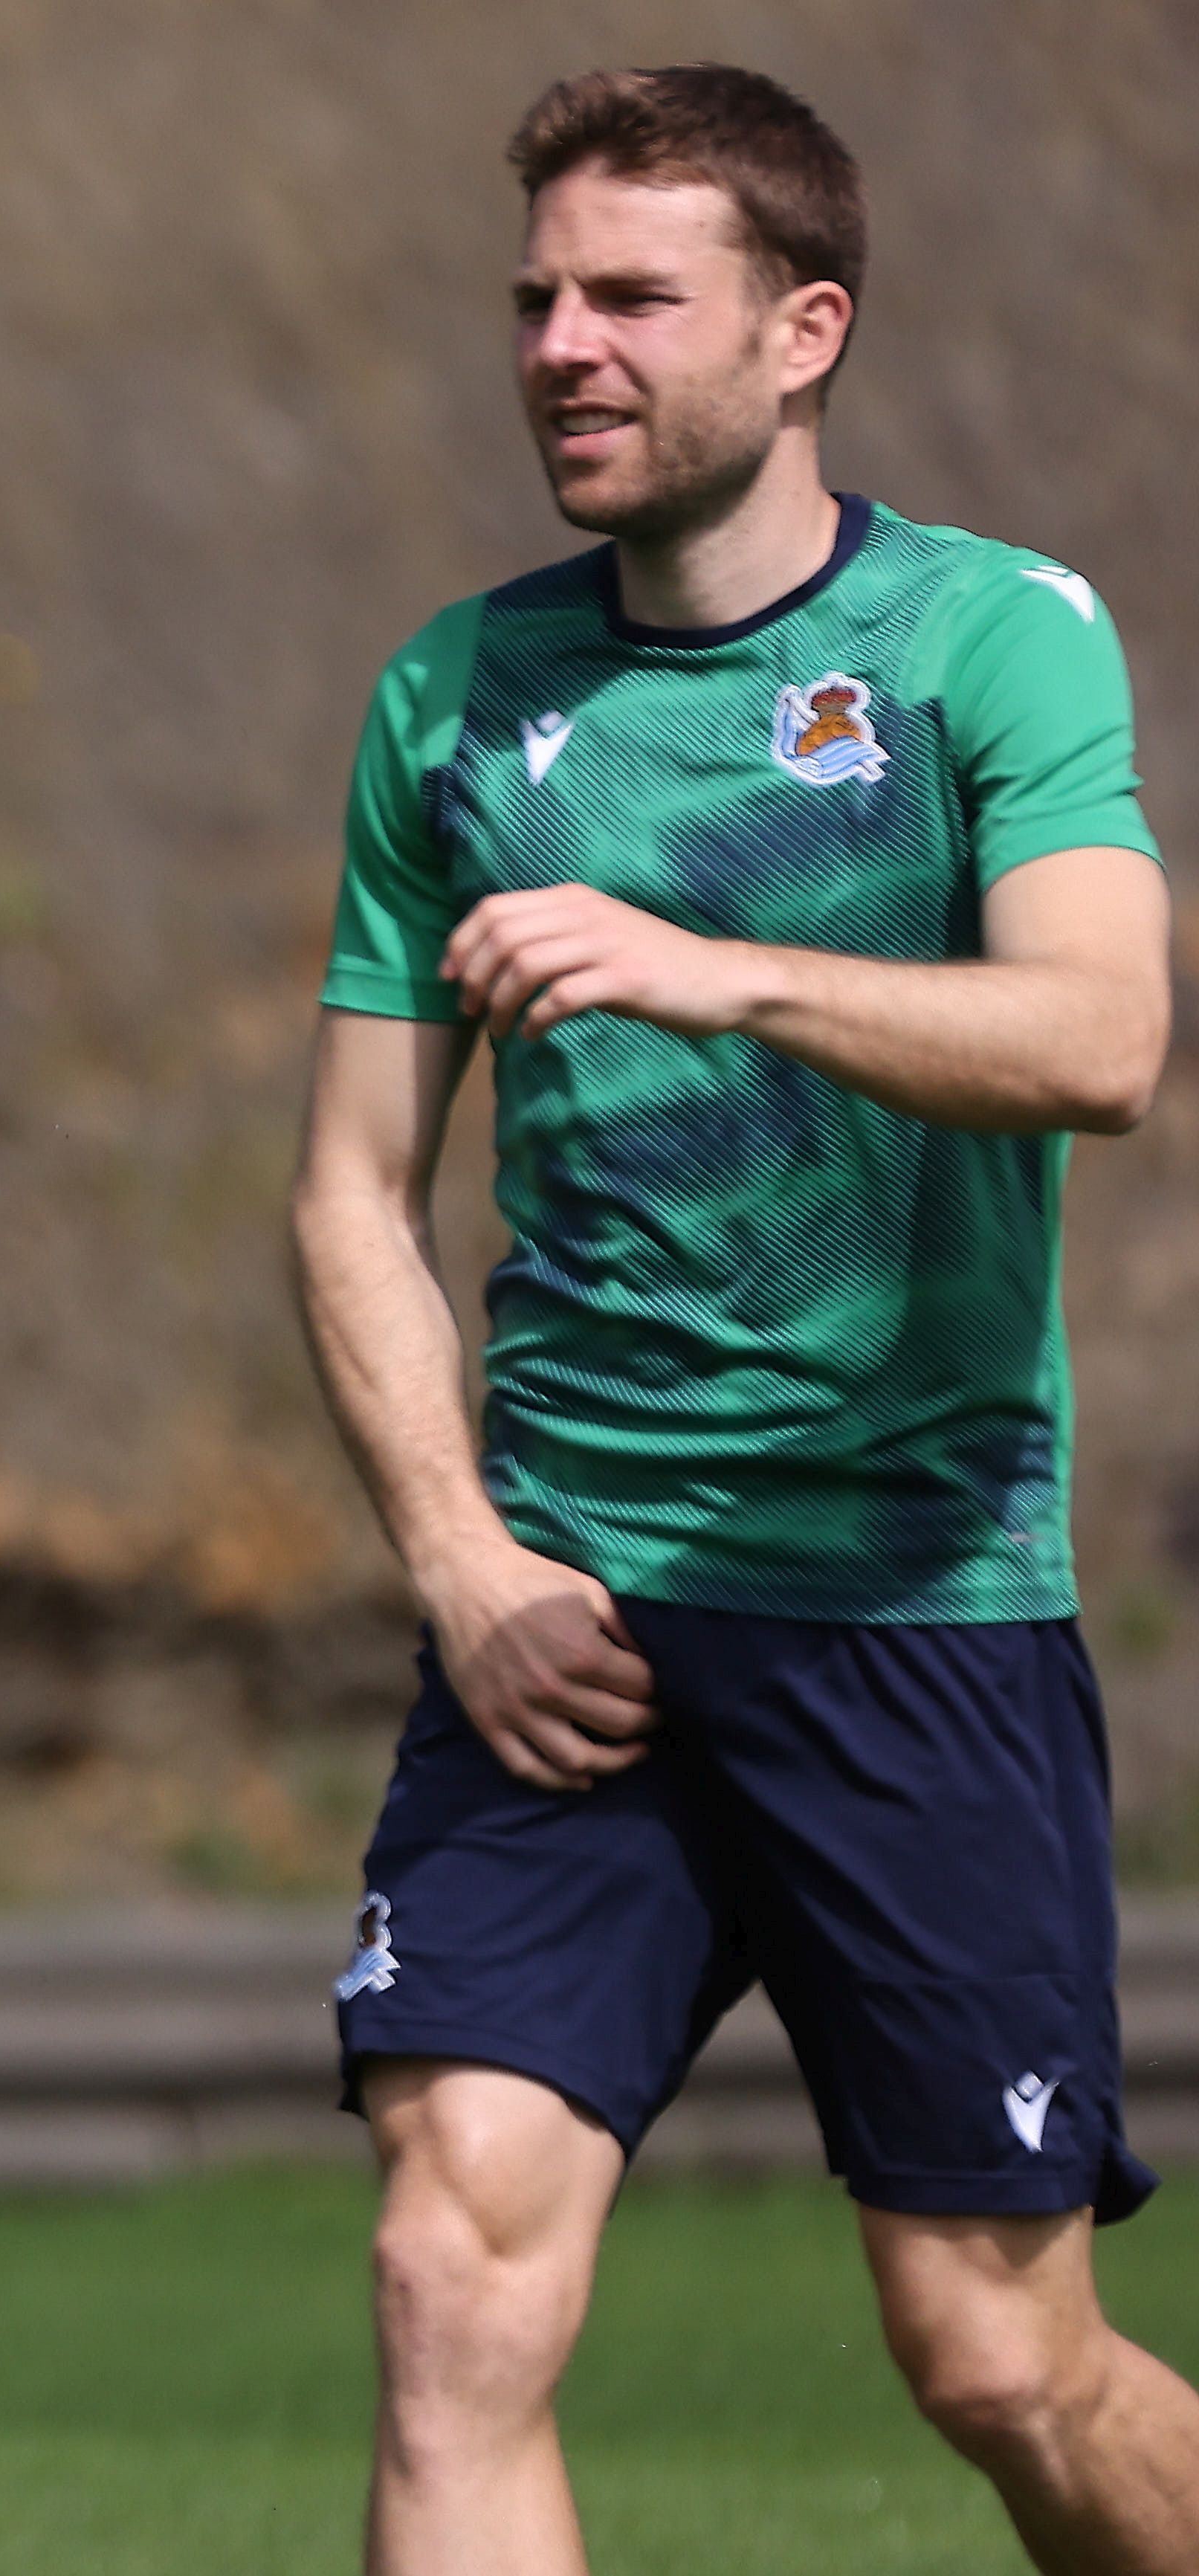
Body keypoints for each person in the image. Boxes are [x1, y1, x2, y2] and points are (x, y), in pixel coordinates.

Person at [291, 63, 1199, 2576]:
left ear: (804, 331)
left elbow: (1102, 1041)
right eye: (534, 300)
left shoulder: (986, 640)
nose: (560, 347)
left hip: (921, 1612)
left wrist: (720, 972)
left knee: (1001, 2354)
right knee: (448, 2266)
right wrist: (463, 1559)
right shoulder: (453, 698)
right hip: (571, 1616)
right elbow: (353, 1194)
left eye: (627, 298)